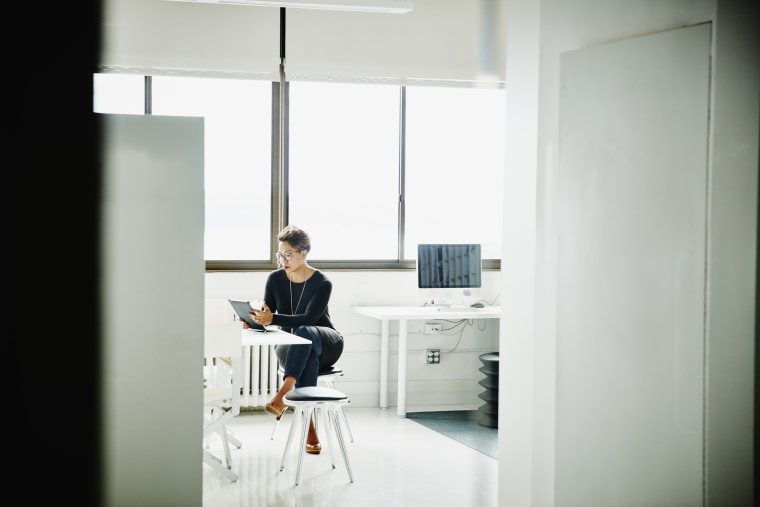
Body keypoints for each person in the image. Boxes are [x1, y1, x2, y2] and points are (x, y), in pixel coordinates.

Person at [244, 225, 344, 455]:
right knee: (303, 351)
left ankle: (284, 392)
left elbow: (310, 318)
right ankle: (310, 429)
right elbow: (268, 315)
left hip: (326, 343)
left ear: (304, 253)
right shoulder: (275, 279)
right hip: (291, 346)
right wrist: (254, 320)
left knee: (306, 332)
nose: (283, 260)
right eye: (281, 255)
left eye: (288, 254)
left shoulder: (322, 282)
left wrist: (272, 318)